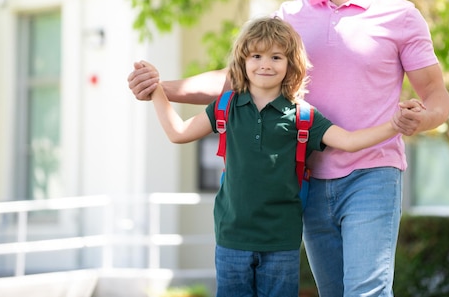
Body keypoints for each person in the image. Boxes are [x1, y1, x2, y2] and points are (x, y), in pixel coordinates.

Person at [128, 0, 449, 297]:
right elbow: (237, 80)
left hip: (373, 172)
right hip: (308, 178)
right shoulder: (289, 17)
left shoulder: (401, 16)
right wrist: (160, 88)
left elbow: (439, 99)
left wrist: (417, 119)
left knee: (366, 291)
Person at [144, 16, 412, 297]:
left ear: (290, 64)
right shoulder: (226, 106)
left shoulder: (302, 115)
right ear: (242, 62)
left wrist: (394, 125)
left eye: (276, 57)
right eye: (256, 55)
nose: (265, 64)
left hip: (281, 244)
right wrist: (156, 91)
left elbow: (348, 141)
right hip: (231, 240)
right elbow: (178, 132)